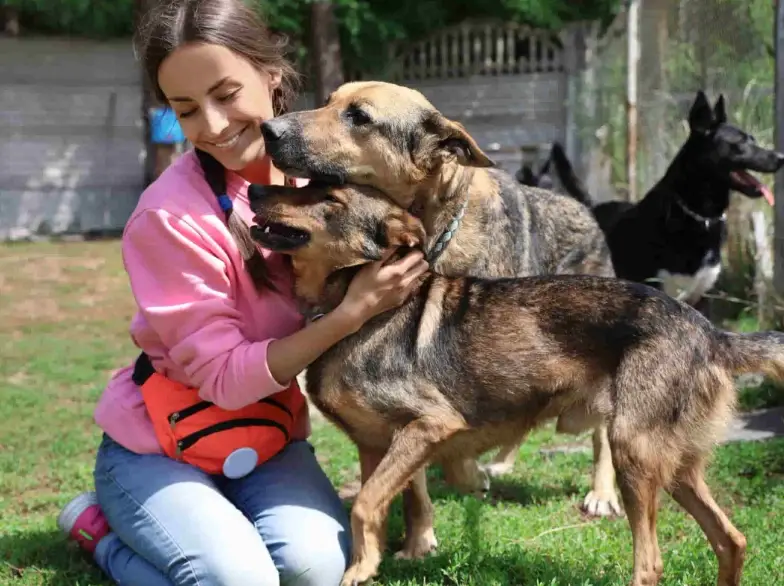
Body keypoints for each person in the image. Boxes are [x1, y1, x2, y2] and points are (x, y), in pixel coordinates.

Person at [56, 1, 428, 585]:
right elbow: (225, 379)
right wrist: (352, 313)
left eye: (226, 94)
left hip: (267, 436)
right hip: (160, 445)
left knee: (317, 569)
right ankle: (100, 534)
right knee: (238, 581)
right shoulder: (170, 218)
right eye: (186, 110)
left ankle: (216, 525)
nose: (212, 125)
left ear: (271, 73)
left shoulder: (326, 178)